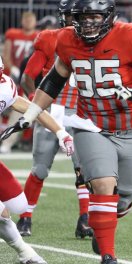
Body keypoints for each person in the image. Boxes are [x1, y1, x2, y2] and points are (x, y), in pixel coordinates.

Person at [7, 0, 132, 264]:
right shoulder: (65, 38)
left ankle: (113, 215)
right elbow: (54, 79)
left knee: (124, 195)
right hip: (90, 124)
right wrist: (31, 113)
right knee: (101, 184)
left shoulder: (131, 35)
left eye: (94, 16)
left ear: (109, 16)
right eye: (81, 17)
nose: (87, 23)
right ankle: (109, 259)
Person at [15, 0, 91, 239]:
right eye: (74, 16)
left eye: (82, 16)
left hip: (81, 111)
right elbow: (29, 76)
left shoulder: (95, 41)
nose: (79, 21)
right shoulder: (50, 38)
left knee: (84, 171)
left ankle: (85, 220)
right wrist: (36, 105)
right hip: (54, 110)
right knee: (40, 169)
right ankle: (25, 217)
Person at [0, 55, 75, 264]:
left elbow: (34, 109)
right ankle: (25, 251)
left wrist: (61, 133)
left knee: (18, 204)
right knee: (2, 214)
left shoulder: (5, 87)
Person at [1, 11, 39, 154]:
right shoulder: (13, 33)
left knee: (35, 109)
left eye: (31, 20)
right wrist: (13, 69)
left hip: (31, 76)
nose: (28, 22)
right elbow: (6, 54)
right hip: (14, 76)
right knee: (17, 108)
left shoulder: (39, 36)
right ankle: (7, 142)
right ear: (22, 21)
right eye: (26, 20)